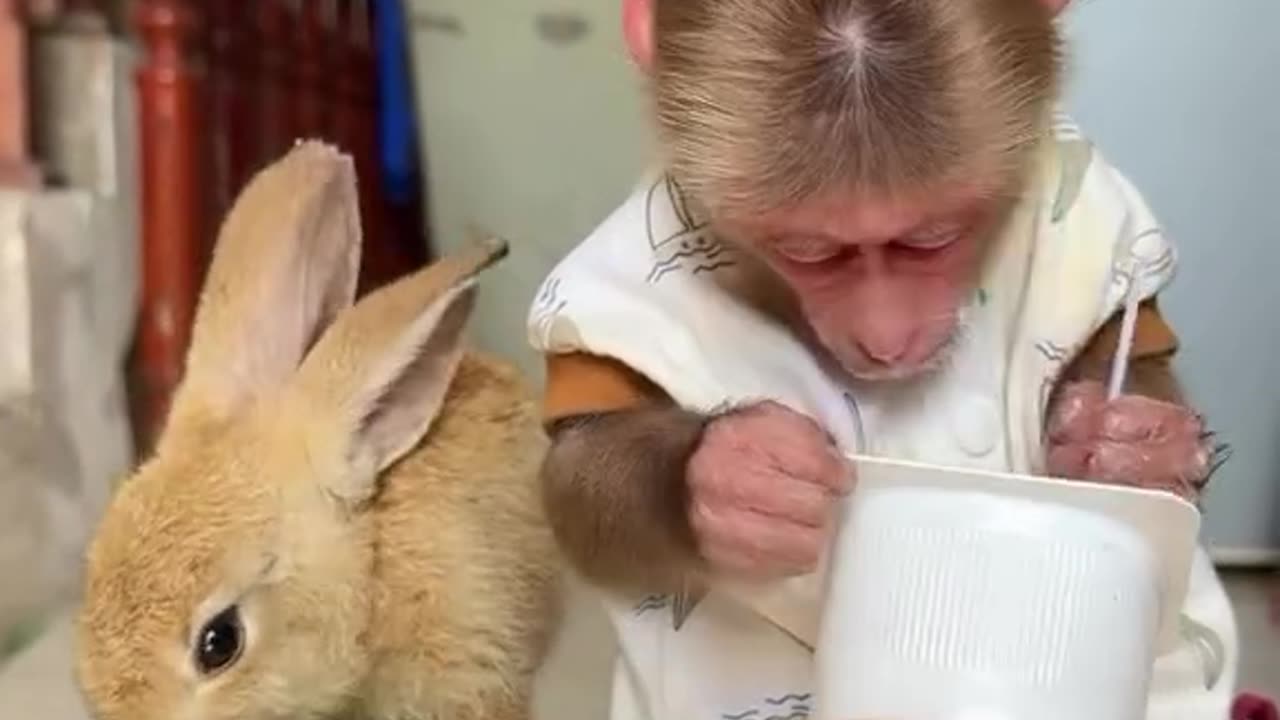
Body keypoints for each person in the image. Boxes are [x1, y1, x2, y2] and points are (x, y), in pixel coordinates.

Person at [525, 0, 1239, 718]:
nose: (886, 335)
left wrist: (1130, 437)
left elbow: (1128, 363)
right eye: (809, 250)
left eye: (931, 240)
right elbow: (583, 502)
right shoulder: (637, 282)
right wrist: (674, 480)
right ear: (649, 36)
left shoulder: (1074, 209)